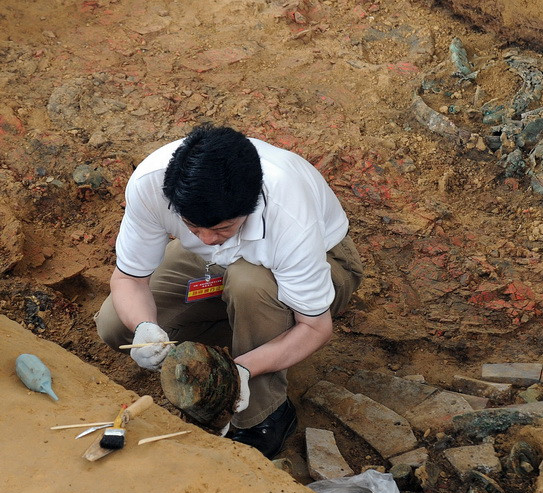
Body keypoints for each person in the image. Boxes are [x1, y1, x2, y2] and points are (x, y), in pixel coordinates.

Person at [95, 124, 363, 459]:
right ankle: (237, 338)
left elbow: (315, 328)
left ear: (251, 207)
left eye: (223, 227)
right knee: (116, 325)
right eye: (193, 227)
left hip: (321, 259)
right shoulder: (152, 183)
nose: (206, 239)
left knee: (249, 284)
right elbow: (128, 281)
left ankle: (265, 415)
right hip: (217, 265)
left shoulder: (288, 210)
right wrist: (145, 329)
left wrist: (241, 372)